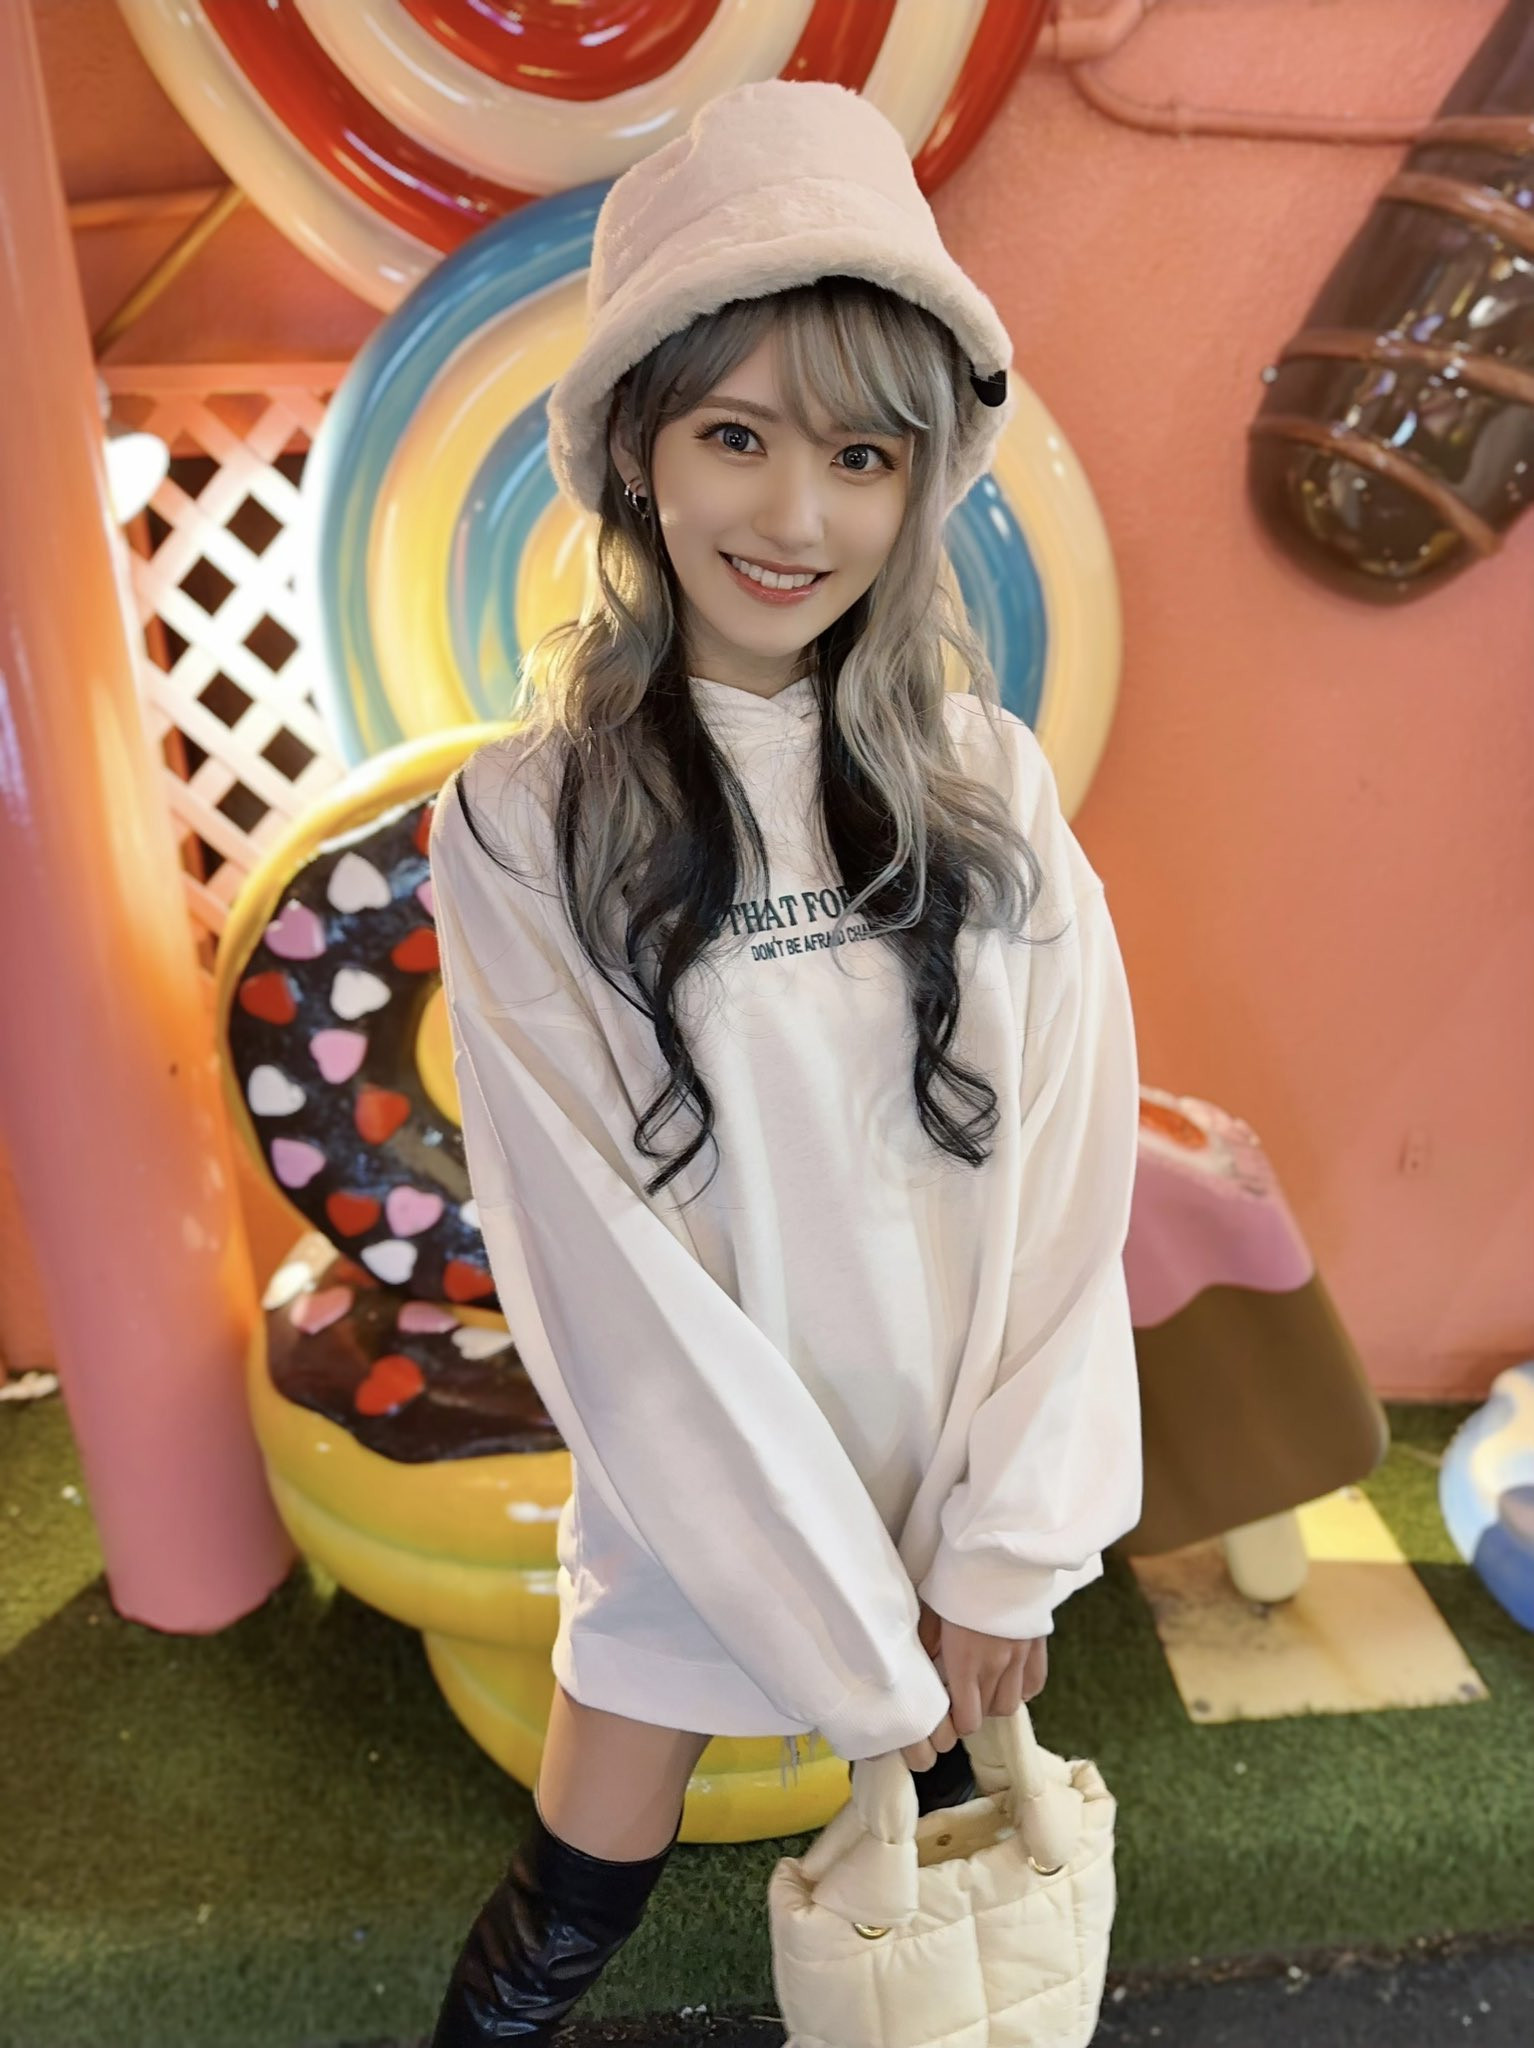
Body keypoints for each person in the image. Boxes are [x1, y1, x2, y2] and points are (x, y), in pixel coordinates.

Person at [426, 77, 1142, 2046]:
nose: (796, 516)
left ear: (923, 481)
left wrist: (1002, 1547)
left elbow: (1070, 1184)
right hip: (703, 1500)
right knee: (568, 1903)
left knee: (946, 1965)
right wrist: (840, 1636)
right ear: (636, 447)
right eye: (735, 435)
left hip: (951, 1507)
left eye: (858, 453)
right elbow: (601, 1279)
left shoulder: (986, 780)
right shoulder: (526, 824)